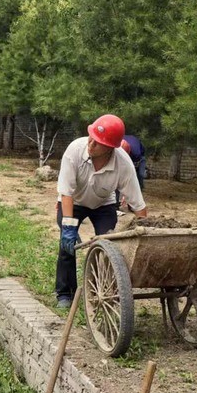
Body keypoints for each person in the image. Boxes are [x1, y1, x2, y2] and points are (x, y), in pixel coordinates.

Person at [55, 114, 147, 308]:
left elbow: (138, 206)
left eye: (98, 142)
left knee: (108, 246)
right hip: (73, 201)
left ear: (110, 148)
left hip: (103, 204)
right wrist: (69, 227)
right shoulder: (74, 151)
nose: (91, 143)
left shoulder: (123, 165)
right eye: (91, 137)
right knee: (67, 247)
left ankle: (100, 291)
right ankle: (65, 293)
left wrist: (146, 235)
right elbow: (66, 194)